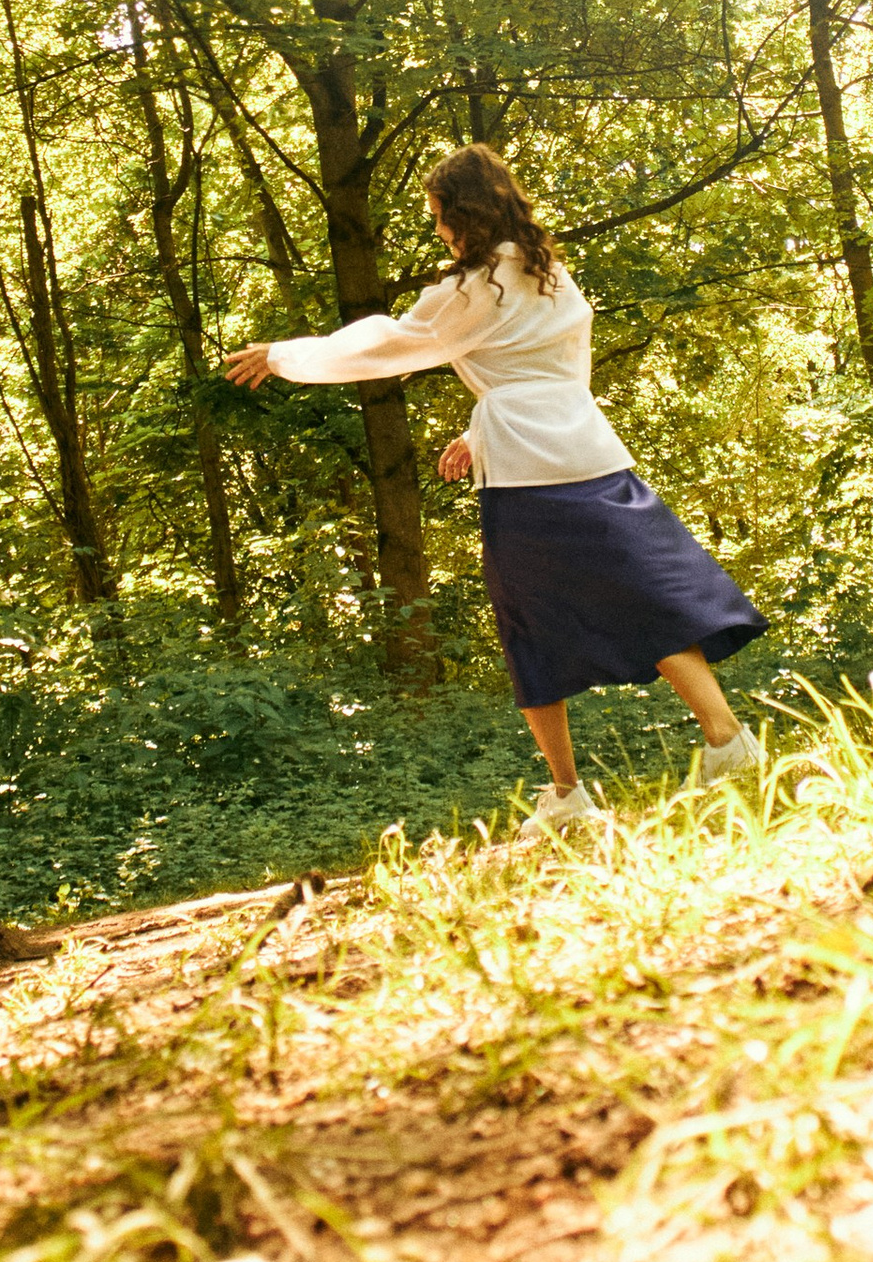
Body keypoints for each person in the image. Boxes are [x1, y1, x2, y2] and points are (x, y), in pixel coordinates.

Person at [223, 146, 764, 831]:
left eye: (440, 217)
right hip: (587, 451)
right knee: (650, 597)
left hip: (528, 472)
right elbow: (557, 372)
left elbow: (395, 343)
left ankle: (568, 797)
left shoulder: (477, 287)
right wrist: (479, 432)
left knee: (529, 625)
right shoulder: (548, 273)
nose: (438, 230)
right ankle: (727, 742)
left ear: (463, 213)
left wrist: (284, 355)